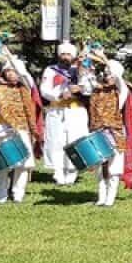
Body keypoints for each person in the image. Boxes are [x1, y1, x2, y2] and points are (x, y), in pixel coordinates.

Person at [82, 51, 132, 207]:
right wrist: (85, 63)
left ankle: (110, 198)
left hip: (114, 133)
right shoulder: (96, 90)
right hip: (97, 132)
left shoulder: (120, 92)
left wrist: (104, 58)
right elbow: (85, 82)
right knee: (102, 167)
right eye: (106, 74)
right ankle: (101, 197)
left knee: (114, 168)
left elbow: (117, 76)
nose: (108, 76)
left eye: (110, 74)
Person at [0, 46, 37, 204]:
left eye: (14, 71)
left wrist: (11, 57)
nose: (12, 74)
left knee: (23, 164)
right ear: (4, 73)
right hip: (1, 127)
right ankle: (2, 194)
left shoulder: (25, 86)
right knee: (1, 164)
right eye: (9, 71)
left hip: (21, 127)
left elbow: (23, 72)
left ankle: (18, 194)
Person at [39, 42, 89, 186]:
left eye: (68, 54)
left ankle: (72, 173)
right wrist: (60, 94)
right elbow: (44, 90)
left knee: (74, 141)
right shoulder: (51, 70)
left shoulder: (80, 69)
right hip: (57, 110)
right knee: (57, 142)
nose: (66, 57)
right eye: (63, 54)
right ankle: (58, 173)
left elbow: (89, 88)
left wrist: (79, 89)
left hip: (75, 111)